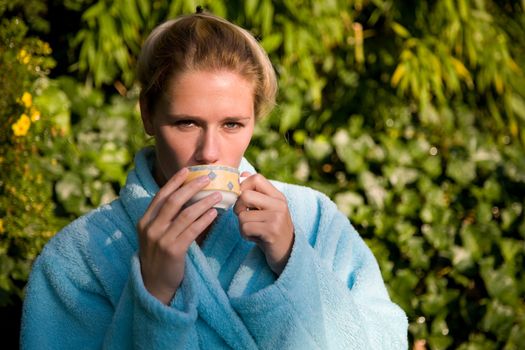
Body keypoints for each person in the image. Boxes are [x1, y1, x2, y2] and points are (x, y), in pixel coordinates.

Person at [20, 9, 408, 349]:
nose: (209, 151)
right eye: (186, 122)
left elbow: (385, 342)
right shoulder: (80, 258)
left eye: (232, 124)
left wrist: (294, 260)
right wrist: (154, 295)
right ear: (148, 115)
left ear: (255, 121)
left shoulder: (314, 220)